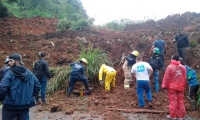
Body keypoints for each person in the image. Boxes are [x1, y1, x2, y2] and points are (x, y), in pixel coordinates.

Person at [0, 53, 41, 120]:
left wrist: (1, 98)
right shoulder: (29, 73)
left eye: (11, 61)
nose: (9, 63)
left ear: (17, 61)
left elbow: (3, 87)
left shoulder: (9, 73)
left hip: (10, 107)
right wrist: (30, 96)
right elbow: (38, 85)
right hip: (24, 107)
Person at [162, 55, 186, 120]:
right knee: (180, 101)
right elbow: (184, 78)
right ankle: (181, 116)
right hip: (181, 87)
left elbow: (166, 77)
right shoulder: (183, 67)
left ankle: (173, 116)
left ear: (172, 59)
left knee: (173, 101)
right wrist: (184, 86)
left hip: (172, 88)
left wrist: (164, 85)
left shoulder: (169, 67)